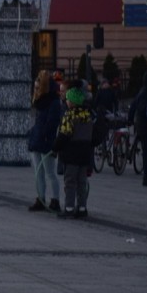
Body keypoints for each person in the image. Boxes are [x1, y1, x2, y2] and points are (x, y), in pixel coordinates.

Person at [53, 87, 95, 218]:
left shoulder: (69, 115)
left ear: (71, 102)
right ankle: (82, 208)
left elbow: (64, 134)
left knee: (70, 182)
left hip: (71, 154)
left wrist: (55, 147)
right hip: (85, 153)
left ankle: (69, 208)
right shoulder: (88, 115)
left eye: (67, 99)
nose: (66, 101)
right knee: (82, 182)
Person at [26, 71, 63, 212]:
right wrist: (33, 133)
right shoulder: (41, 100)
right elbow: (40, 121)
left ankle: (55, 200)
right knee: (38, 172)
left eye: (38, 84)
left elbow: (52, 123)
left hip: (46, 141)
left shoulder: (53, 102)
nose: (36, 87)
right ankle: (40, 198)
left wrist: (44, 135)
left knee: (50, 173)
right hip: (37, 139)